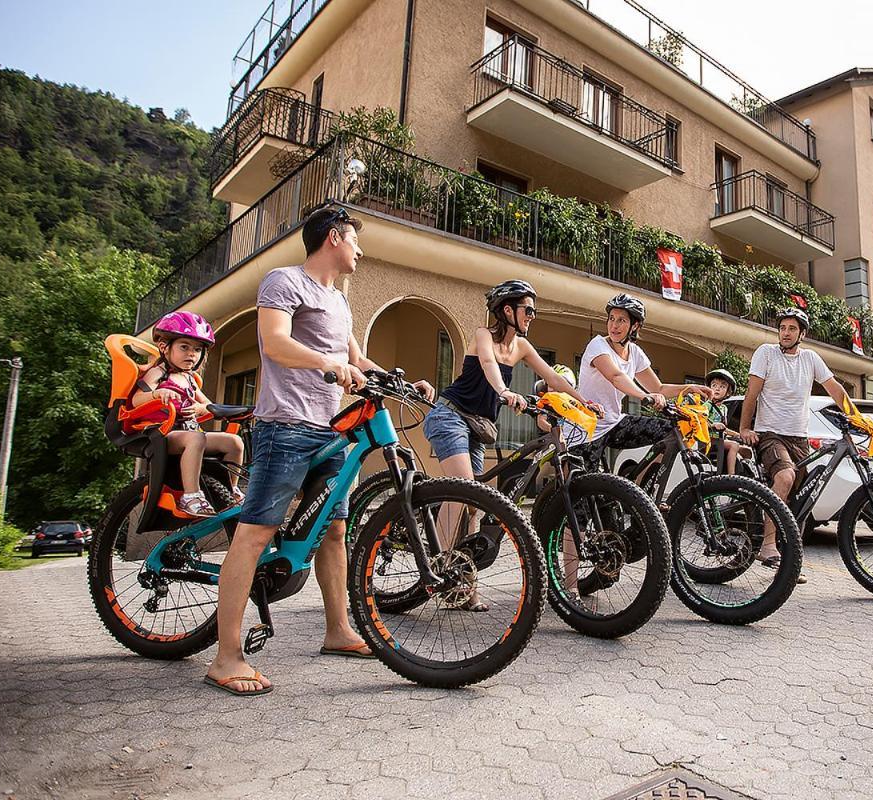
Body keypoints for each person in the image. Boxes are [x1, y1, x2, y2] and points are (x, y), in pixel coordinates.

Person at [205, 205, 434, 696]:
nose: (360, 249)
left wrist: (398, 380)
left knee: (334, 530)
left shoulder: (339, 301)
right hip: (285, 426)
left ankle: (338, 630)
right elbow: (275, 343)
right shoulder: (284, 281)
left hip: (330, 431)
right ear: (334, 238)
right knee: (254, 534)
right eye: (355, 240)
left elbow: (356, 360)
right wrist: (330, 365)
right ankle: (226, 658)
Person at [422, 280, 593, 610]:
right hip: (451, 416)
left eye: (534, 310)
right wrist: (503, 392)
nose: (532, 315)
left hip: (479, 427)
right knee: (463, 490)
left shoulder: (523, 347)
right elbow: (488, 365)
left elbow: (554, 379)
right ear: (507, 310)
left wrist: (583, 402)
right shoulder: (483, 335)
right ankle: (438, 573)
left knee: (474, 505)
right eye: (527, 310)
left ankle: (465, 591)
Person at [737, 308, 850, 584]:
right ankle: (767, 545)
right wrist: (744, 428)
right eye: (783, 328)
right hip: (770, 434)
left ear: (802, 333)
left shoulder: (811, 359)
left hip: (799, 437)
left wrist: (855, 416)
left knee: (801, 499)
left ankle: (789, 562)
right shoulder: (766, 353)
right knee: (784, 476)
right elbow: (752, 393)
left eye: (792, 329)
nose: (786, 333)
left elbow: (834, 388)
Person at [575, 293, 711, 475]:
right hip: (587, 426)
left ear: (635, 325)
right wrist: (644, 396)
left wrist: (688, 388)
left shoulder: (635, 353)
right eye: (611, 319)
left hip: (614, 423)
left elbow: (658, 388)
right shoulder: (598, 345)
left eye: (621, 320)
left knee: (672, 431)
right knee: (584, 494)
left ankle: (640, 484)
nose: (614, 326)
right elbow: (616, 377)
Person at [130, 311, 245, 517]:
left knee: (234, 442)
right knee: (196, 439)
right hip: (163, 433)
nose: (192, 354)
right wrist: (156, 393)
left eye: (198, 349)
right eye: (184, 347)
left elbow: (208, 405)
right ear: (165, 347)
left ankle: (230, 490)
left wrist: (203, 408)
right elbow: (136, 400)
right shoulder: (159, 373)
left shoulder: (191, 380)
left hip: (190, 433)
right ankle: (191, 495)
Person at [703, 368, 741, 475]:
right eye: (714, 385)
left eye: (722, 386)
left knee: (745, 450)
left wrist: (737, 434)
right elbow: (700, 421)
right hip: (709, 441)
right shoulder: (708, 405)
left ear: (728, 392)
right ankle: (731, 475)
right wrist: (713, 425)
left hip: (719, 439)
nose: (717, 389)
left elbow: (723, 428)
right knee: (734, 446)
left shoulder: (724, 408)